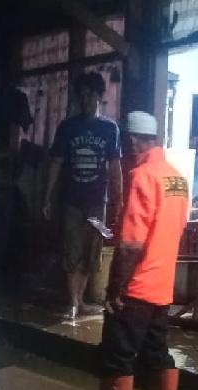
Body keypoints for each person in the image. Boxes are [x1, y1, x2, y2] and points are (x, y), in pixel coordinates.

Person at [92, 111, 188, 390]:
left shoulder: (142, 176)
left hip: (136, 287)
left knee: (117, 354)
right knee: (156, 352)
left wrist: (116, 289)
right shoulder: (176, 178)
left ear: (133, 140)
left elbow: (132, 242)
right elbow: (173, 227)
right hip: (162, 287)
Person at [43, 72, 123, 319]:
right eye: (83, 95)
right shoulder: (67, 127)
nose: (86, 100)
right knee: (71, 249)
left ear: (100, 96)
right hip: (71, 201)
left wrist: (120, 198)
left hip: (98, 204)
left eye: (92, 95)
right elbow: (56, 163)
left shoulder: (110, 129)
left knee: (92, 250)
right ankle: (74, 302)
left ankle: (81, 300)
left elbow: (114, 166)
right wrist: (48, 196)